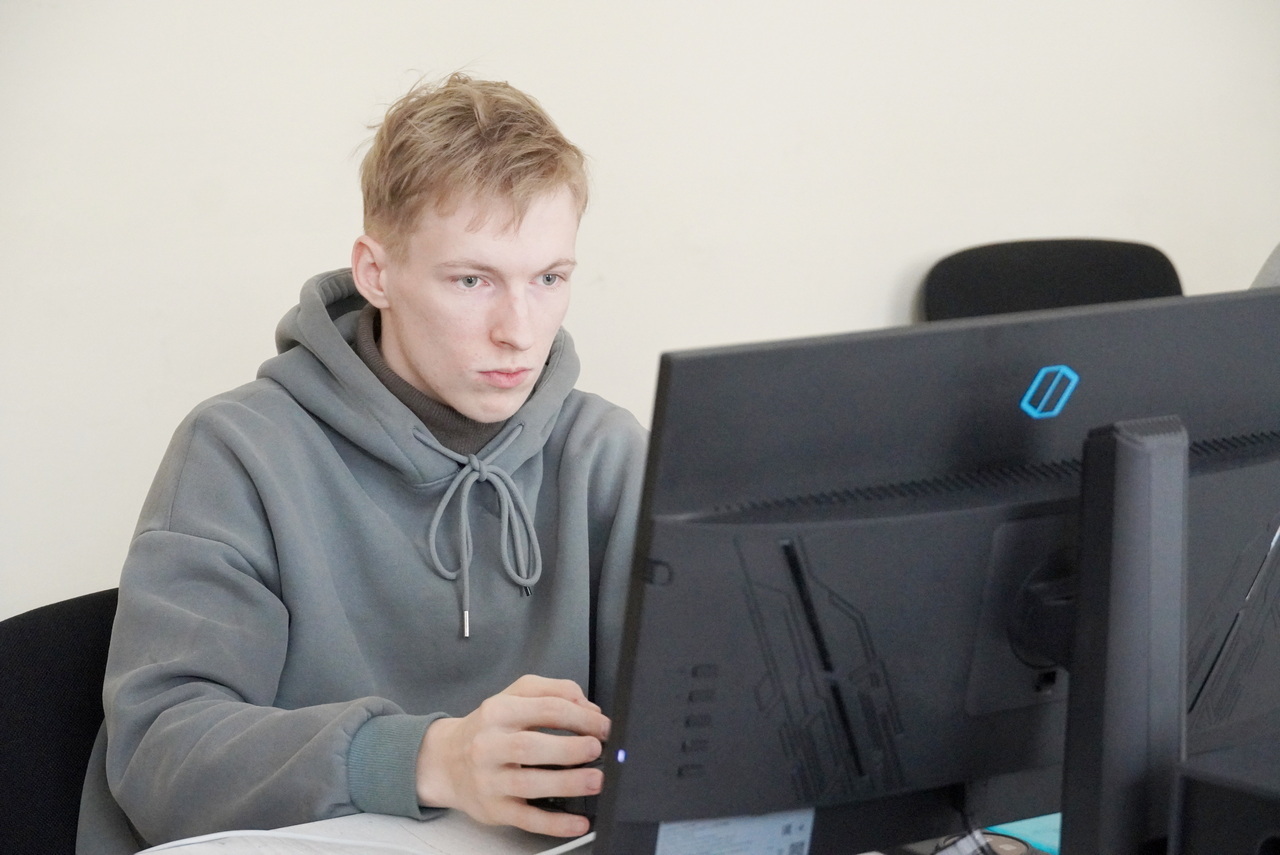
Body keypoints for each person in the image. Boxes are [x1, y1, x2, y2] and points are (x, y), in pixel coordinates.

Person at [76, 74, 648, 854]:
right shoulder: (237, 450)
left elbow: (689, 738)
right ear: (376, 273)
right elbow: (160, 753)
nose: (519, 330)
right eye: (472, 279)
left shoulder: (607, 455)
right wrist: (424, 757)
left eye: (549, 278)